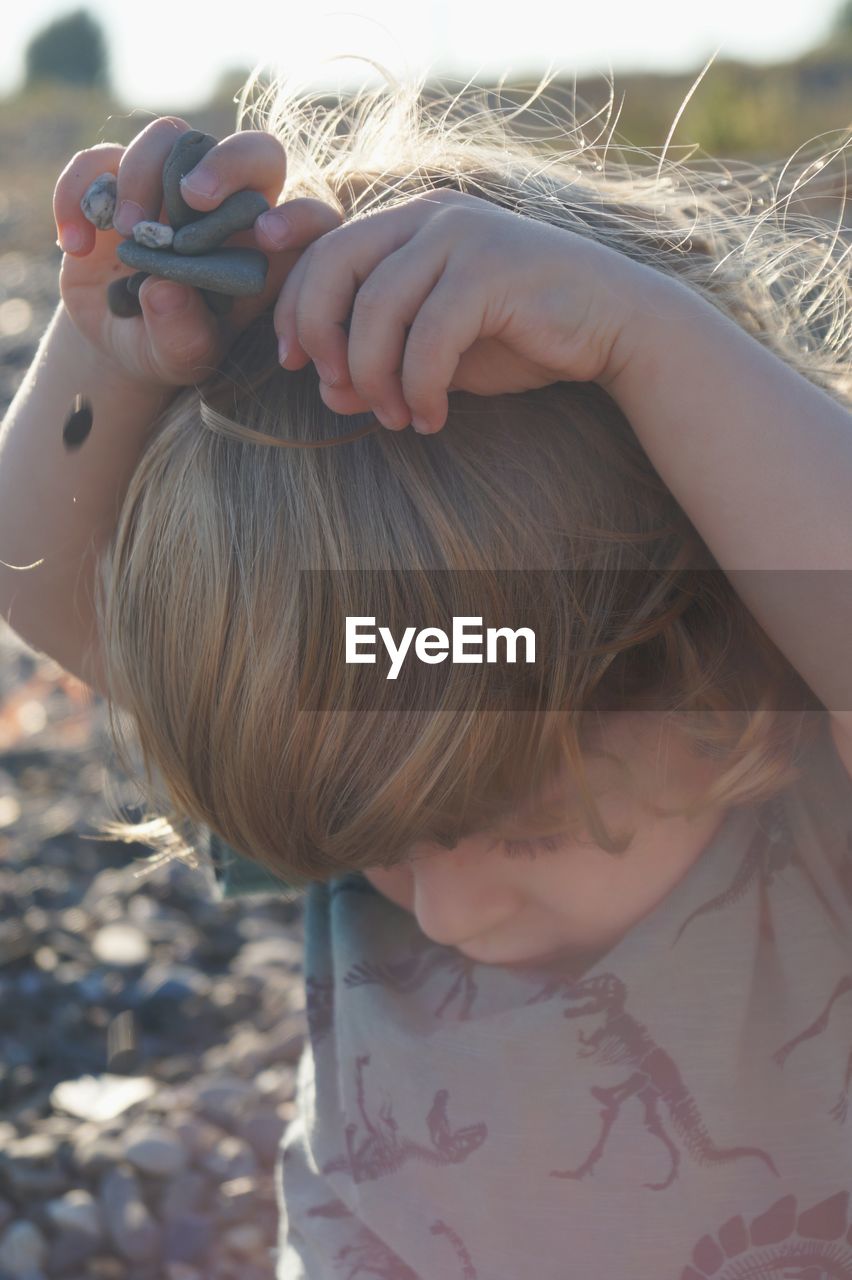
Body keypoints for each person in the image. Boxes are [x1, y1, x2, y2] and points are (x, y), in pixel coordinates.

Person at [3, 61, 852, 1278]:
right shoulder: (366, 757)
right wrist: (120, 353)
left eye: (526, 829)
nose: (446, 910)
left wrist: (649, 344)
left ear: (714, 659)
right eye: (381, 848)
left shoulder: (811, 824)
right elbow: (47, 586)